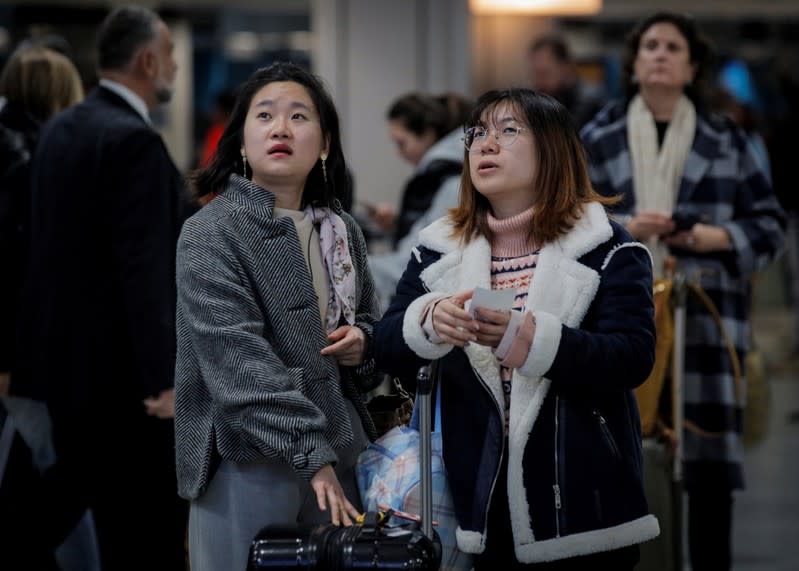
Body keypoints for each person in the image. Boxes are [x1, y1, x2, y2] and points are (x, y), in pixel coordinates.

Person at [373, 87, 660, 569]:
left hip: (582, 505)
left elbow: (632, 356)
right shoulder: (437, 250)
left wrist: (531, 340)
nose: (486, 144)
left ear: (553, 150)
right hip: (476, 507)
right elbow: (386, 347)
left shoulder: (608, 246)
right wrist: (428, 320)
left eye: (509, 131)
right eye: (478, 132)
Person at [580, 12, 785, 571]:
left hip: (706, 316)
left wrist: (704, 234)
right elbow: (570, 225)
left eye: (673, 46)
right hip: (623, 313)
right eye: (650, 45)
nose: (661, 54)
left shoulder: (728, 138)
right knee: (621, 457)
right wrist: (629, 230)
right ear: (635, 61)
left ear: (692, 66)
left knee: (710, 474)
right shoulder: (598, 136)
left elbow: (769, 228)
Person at [174, 61, 382, 571]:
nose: (281, 128)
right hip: (246, 456)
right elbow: (238, 365)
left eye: (299, 116)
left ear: (325, 143)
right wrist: (311, 454)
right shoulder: (210, 232)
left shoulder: (341, 230)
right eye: (264, 116)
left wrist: (363, 341)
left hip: (342, 447)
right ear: (241, 142)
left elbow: (372, 324)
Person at [11, 5, 189, 569]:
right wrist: (163, 378)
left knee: (87, 509)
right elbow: (145, 270)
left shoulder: (62, 127)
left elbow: (35, 252)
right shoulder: (132, 141)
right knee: (145, 531)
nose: (177, 68)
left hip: (62, 369)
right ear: (148, 59)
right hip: (124, 380)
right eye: (171, 55)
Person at [0, 44, 88, 570]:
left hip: (17, 355)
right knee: (58, 470)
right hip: (23, 355)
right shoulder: (32, 162)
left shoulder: (23, 154)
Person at [369, 91, 472, 312]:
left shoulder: (451, 181)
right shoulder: (445, 175)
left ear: (426, 134)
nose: (399, 153)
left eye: (402, 143)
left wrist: (355, 268)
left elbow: (429, 251)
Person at [527, 34, 605, 130]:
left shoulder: (588, 101)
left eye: (545, 73)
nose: (538, 82)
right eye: (536, 75)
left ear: (566, 66)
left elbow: (563, 134)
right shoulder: (542, 98)